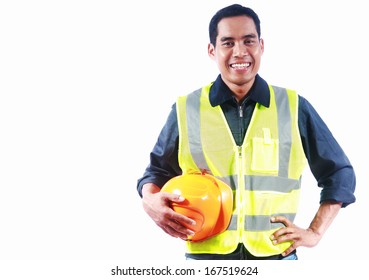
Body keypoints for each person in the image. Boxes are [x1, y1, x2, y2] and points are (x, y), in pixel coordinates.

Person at [136, 4, 356, 260]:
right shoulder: (187, 109)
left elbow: (339, 173)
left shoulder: (293, 107)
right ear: (212, 50)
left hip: (276, 259)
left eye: (248, 41)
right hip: (206, 260)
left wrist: (315, 232)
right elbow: (156, 172)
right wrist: (149, 201)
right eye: (228, 43)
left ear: (261, 46)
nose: (239, 52)